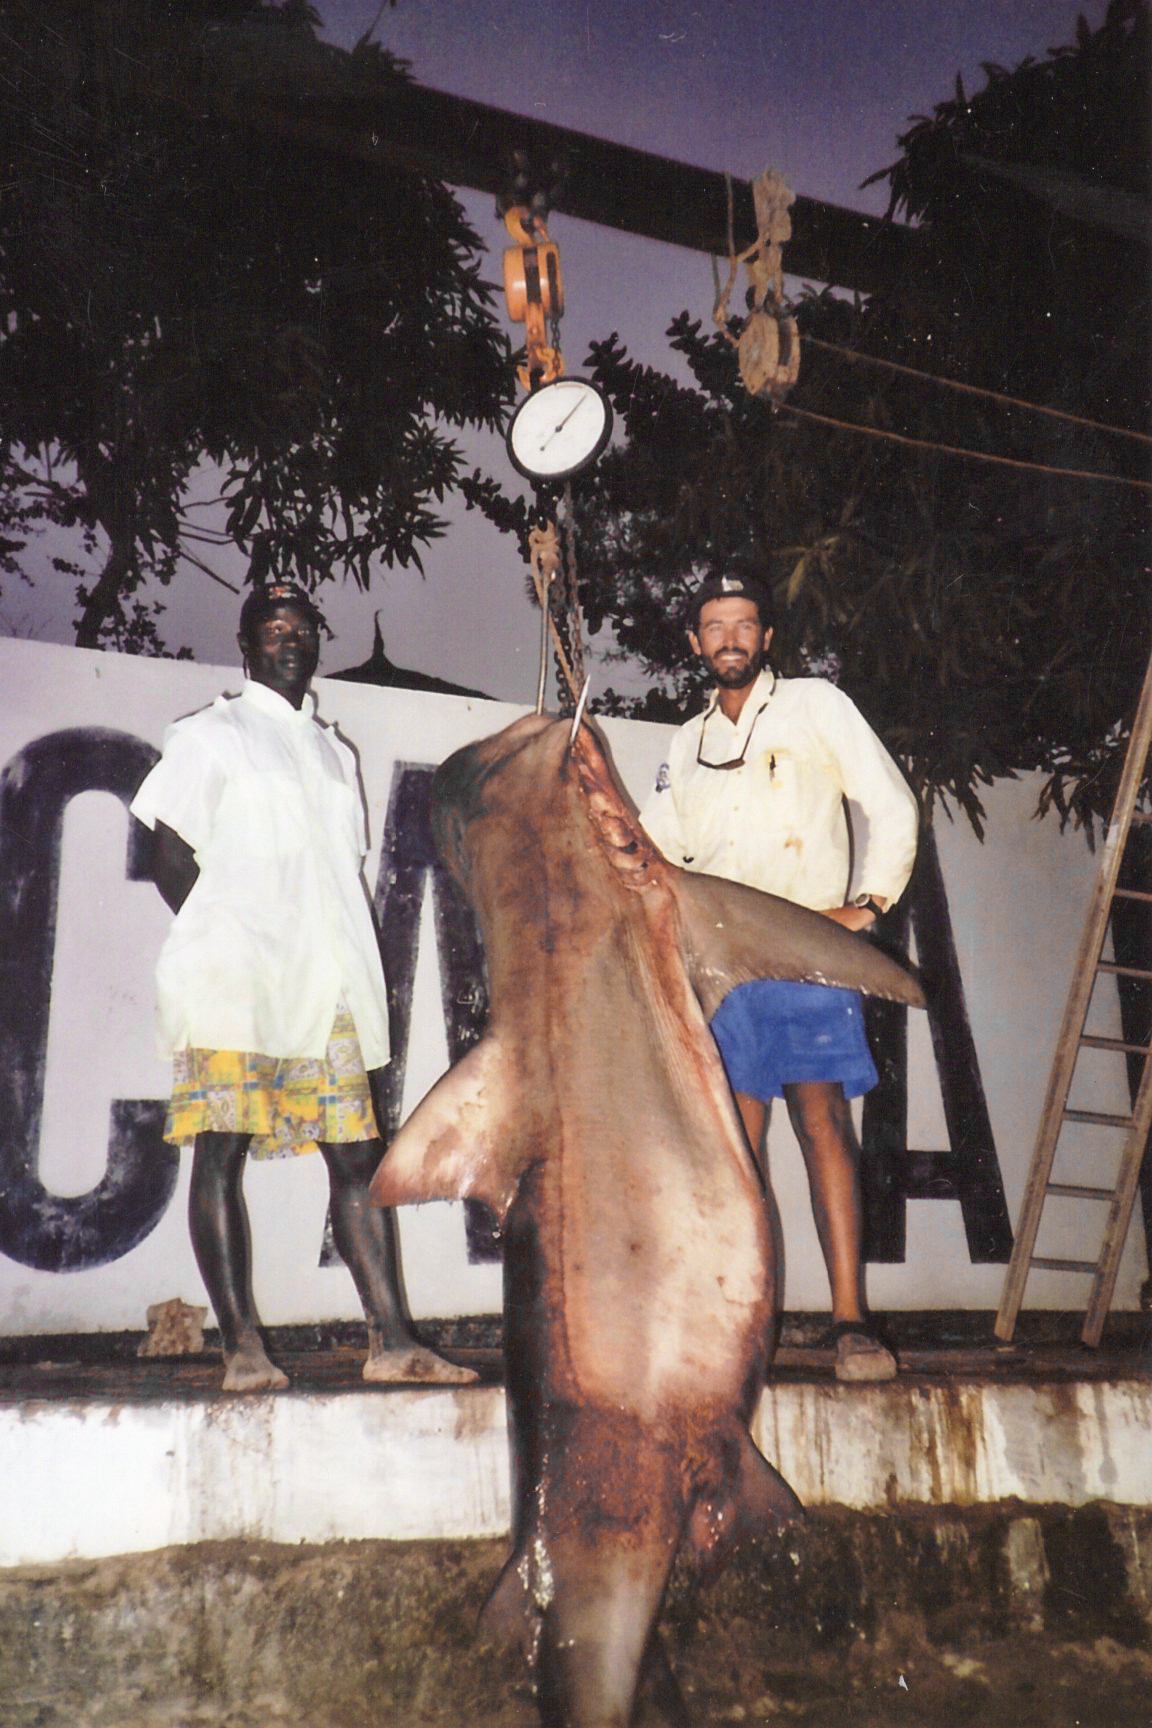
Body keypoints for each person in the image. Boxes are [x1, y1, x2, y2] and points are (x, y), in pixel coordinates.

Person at [130, 582, 475, 1393]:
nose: (289, 640)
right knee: (221, 1150)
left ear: (317, 643)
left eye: (302, 629)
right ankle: (242, 1348)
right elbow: (169, 860)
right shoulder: (208, 736)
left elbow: (336, 872)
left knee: (358, 1155)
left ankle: (392, 1341)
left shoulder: (333, 753)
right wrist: (234, 936)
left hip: (326, 985)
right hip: (237, 984)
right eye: (272, 629)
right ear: (245, 645)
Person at [640, 573, 919, 1382]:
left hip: (803, 946)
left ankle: (849, 1323)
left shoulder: (815, 705)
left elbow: (891, 804)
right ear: (695, 643)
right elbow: (665, 855)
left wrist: (868, 904)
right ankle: (742, 1322)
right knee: (737, 1142)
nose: (729, 637)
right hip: (721, 962)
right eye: (714, 625)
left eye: (744, 624)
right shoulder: (680, 743)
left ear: (766, 638)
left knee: (822, 1121)